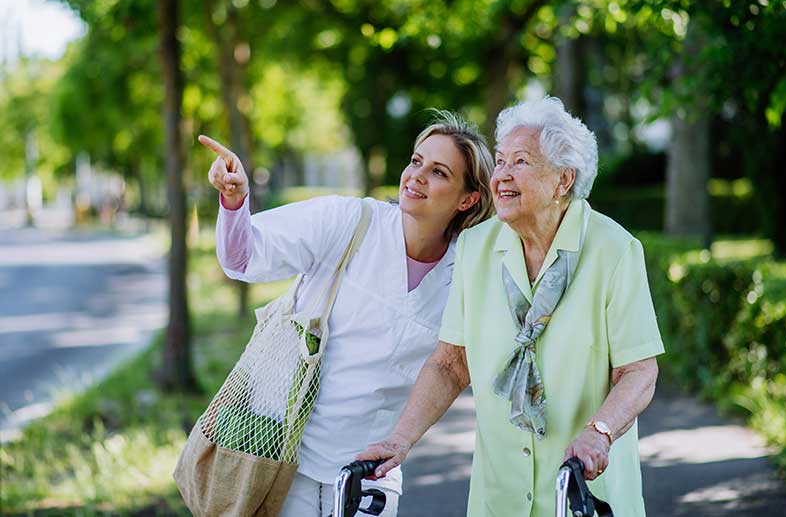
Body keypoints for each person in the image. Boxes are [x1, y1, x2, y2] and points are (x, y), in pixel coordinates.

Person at [358, 97, 664, 516]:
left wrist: (600, 432)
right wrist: (400, 440)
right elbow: (451, 363)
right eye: (500, 161)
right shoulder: (475, 248)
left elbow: (639, 371)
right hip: (498, 497)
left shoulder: (614, 250)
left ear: (562, 180)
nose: (500, 175)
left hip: (583, 491)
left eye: (519, 162)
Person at [201, 110, 495, 517]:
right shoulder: (349, 221)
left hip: (372, 468)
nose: (417, 176)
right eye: (415, 161)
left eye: (439, 172)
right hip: (287, 454)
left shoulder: (465, 273)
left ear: (468, 199)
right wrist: (235, 203)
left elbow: (456, 364)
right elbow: (243, 257)